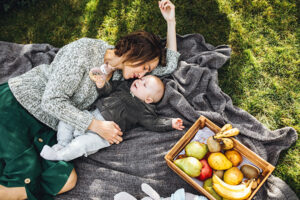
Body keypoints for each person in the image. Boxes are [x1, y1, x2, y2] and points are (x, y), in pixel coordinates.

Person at [0, 0, 178, 199]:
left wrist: (171, 22)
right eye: (144, 68)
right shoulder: (84, 51)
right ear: (133, 53)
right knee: (22, 176)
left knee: (65, 180)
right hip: (19, 105)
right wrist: (96, 126)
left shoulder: (120, 74)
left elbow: (168, 66)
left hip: (52, 123)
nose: (143, 75)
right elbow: (51, 101)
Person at [40, 75, 185, 162]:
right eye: (142, 78)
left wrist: (170, 123)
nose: (139, 81)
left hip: (103, 135)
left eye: (144, 84)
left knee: (81, 144)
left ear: (148, 99)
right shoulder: (123, 87)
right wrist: (102, 85)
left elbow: (154, 122)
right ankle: (62, 143)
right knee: (66, 120)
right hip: (91, 116)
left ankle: (60, 155)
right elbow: (108, 90)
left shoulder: (143, 110)